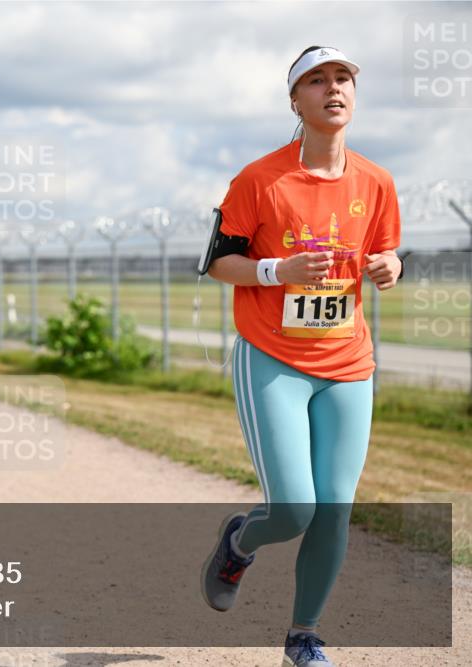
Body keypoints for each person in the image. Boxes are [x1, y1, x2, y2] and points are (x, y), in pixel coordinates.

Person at [199, 47, 403, 667]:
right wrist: (277, 268)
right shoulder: (259, 180)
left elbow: (389, 251)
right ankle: (239, 541)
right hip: (272, 357)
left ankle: (303, 636)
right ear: (296, 100)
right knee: (293, 509)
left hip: (347, 363)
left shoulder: (377, 181)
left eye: (343, 79)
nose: (333, 89)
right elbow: (217, 263)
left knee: (334, 508)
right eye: (317, 80)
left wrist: (391, 265)